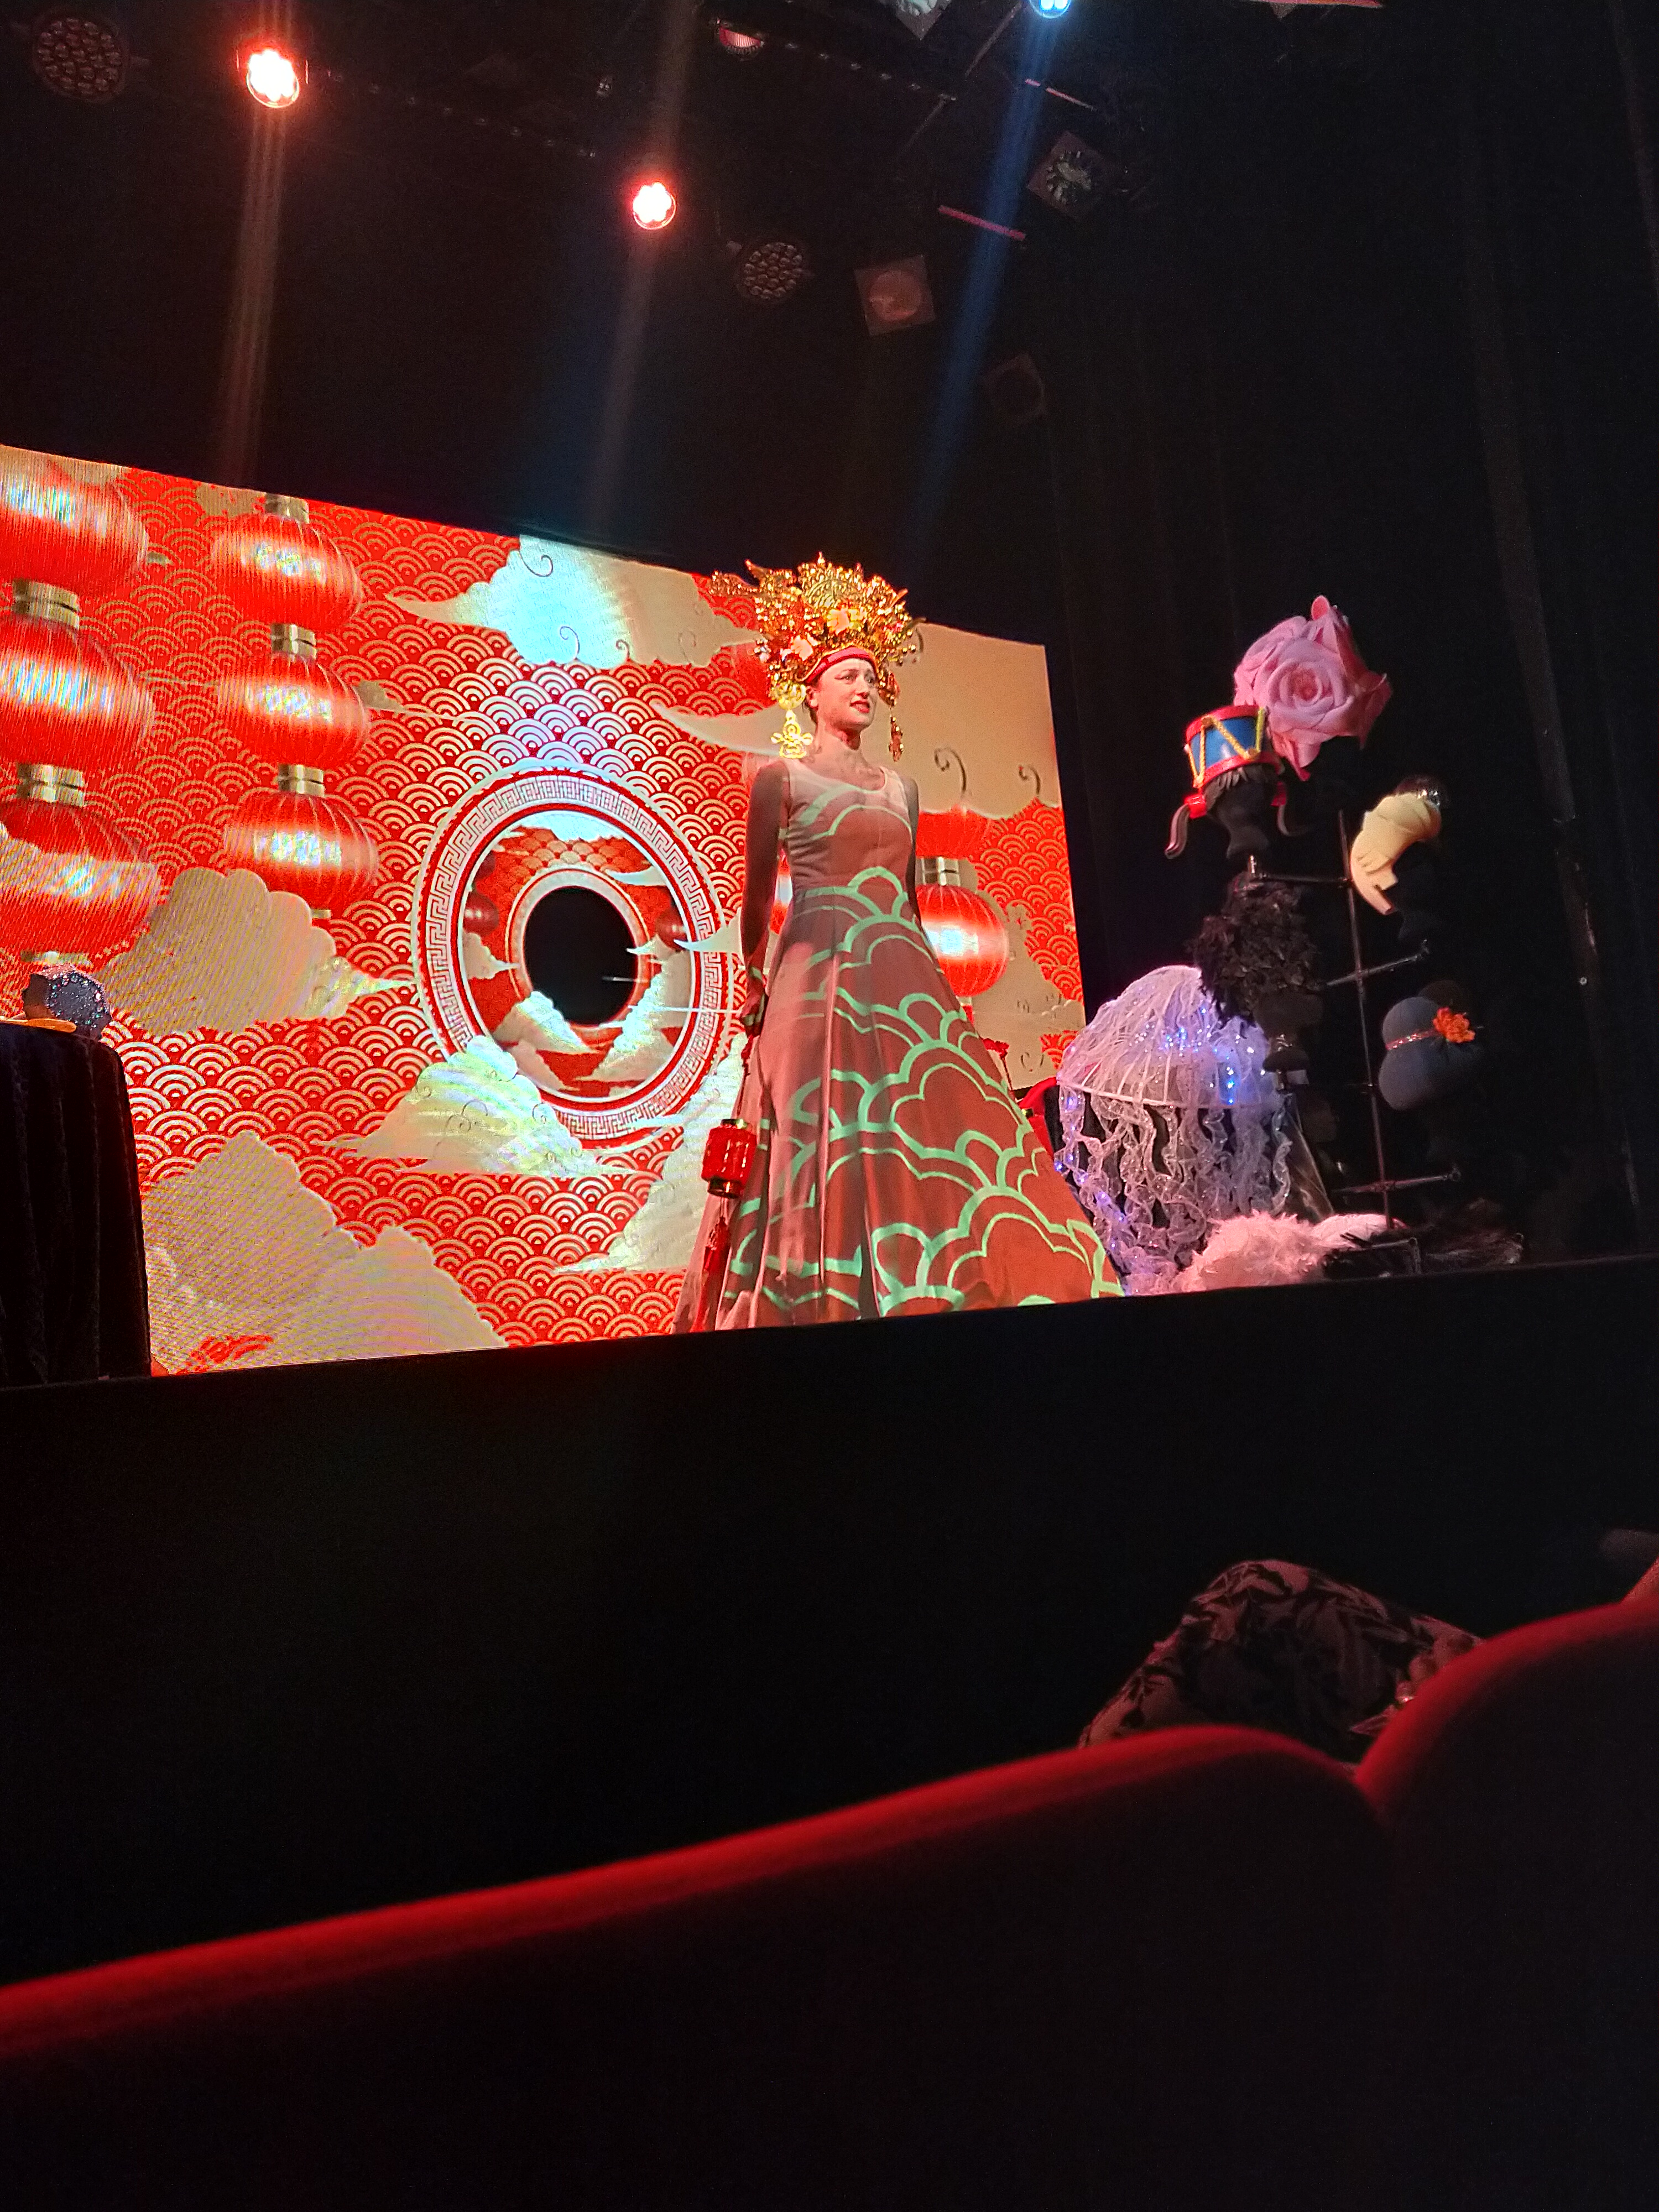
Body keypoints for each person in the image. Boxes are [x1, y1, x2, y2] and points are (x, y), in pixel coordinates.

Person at [675, 556, 1116, 1331]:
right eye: (847, 676)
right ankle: (812, 1292)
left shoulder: (902, 789)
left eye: (870, 678)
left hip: (901, 965)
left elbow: (906, 898)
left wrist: (932, 983)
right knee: (816, 1123)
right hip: (816, 965)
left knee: (930, 1119)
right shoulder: (780, 779)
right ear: (811, 690)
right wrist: (753, 978)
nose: (863, 689)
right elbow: (756, 899)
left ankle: (951, 1275)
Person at [1079, 1543, 1659, 1764]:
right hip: (1607, 1702)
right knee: (1257, 1603)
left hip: (1609, 1766)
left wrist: (1473, 1712)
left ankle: (1061, 1851)